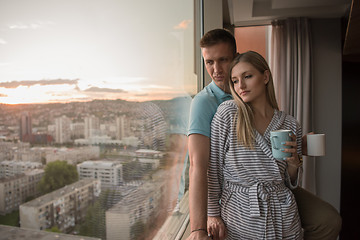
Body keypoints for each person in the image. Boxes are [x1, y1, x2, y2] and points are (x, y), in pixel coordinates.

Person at [186, 28, 341, 240]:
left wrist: (295, 157)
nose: (216, 69)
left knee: (329, 219)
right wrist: (202, 223)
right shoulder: (211, 105)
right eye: (209, 62)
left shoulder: (286, 121)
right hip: (241, 203)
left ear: (235, 58)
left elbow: (286, 175)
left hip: (279, 198)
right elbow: (200, 166)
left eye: (223, 60)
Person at [208, 51, 303, 239]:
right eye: (234, 81)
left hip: (283, 214)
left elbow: (289, 182)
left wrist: (293, 163)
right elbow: (213, 169)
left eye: (247, 77)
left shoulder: (291, 124)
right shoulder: (228, 114)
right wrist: (212, 214)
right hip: (239, 215)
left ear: (265, 77)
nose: (240, 86)